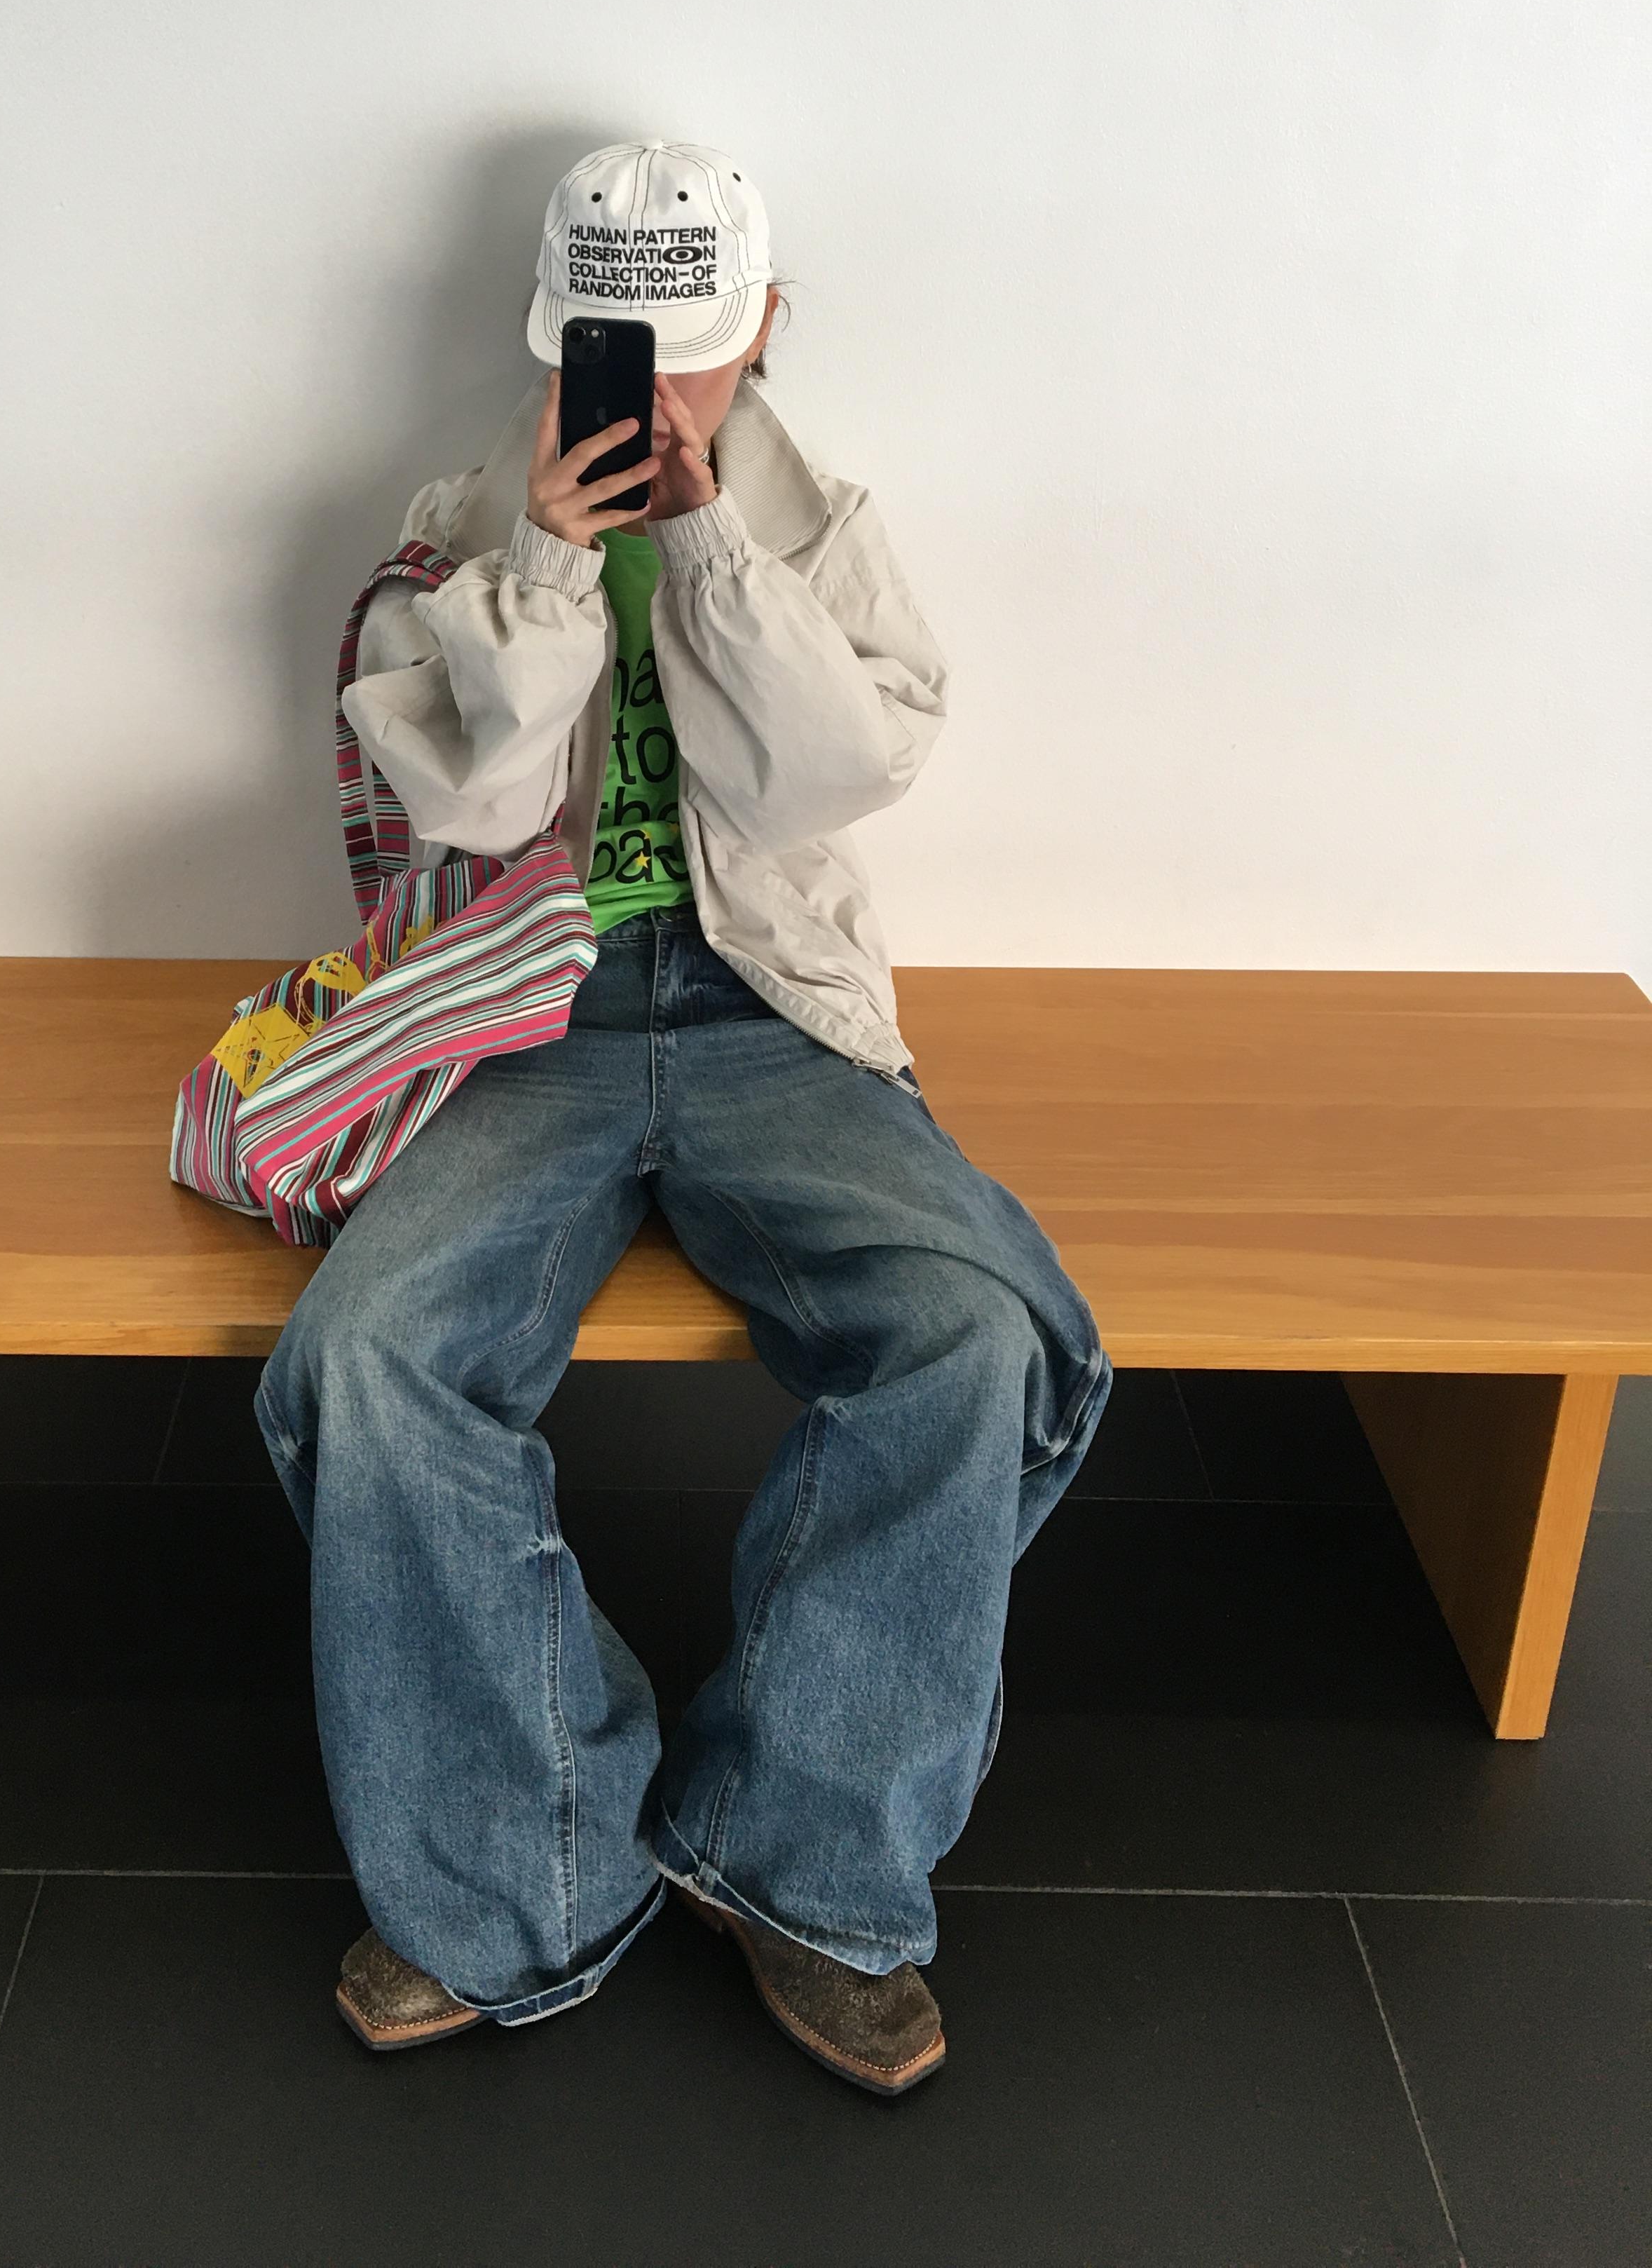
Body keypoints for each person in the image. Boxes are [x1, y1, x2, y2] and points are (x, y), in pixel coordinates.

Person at [254, 137, 1111, 2096]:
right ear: (556, 335)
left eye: (696, 347)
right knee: (371, 1356)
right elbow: (470, 808)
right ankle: (518, 1857)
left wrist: (713, 546)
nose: (660, 387)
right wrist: (546, 572)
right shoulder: (462, 525)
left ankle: (801, 1852)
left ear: (766, 324)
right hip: (524, 1014)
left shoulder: (823, 528)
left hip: (771, 1012)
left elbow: (829, 778)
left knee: (979, 1334)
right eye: (618, 344)